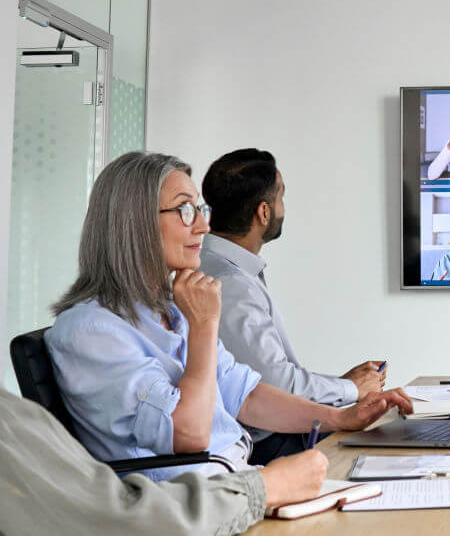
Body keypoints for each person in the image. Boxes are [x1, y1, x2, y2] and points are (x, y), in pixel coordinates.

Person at [45, 151, 413, 481]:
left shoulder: (171, 311)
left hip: (236, 483)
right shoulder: (90, 330)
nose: (203, 227)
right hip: (191, 506)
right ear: (135, 223)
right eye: (184, 210)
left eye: (200, 210)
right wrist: (204, 326)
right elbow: (189, 434)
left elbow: (245, 395)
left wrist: (339, 417)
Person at [199, 148, 390, 465]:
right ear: (263, 212)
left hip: (269, 433)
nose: (283, 209)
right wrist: (350, 389)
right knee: (381, 445)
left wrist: (341, 387)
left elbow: (268, 375)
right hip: (267, 444)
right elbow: (275, 384)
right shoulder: (231, 285)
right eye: (281, 198)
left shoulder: (219, 267)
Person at [0, 387, 326, 535]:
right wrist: (265, 487)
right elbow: (121, 518)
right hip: (200, 501)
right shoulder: (95, 332)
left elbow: (241, 389)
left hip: (222, 492)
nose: (202, 243)